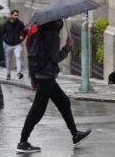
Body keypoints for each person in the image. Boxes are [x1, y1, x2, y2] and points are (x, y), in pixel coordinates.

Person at [16, 20, 91, 153]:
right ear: (53, 22)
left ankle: (75, 134)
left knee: (64, 102)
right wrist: (67, 47)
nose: (61, 22)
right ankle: (23, 142)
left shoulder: (39, 33)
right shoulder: (52, 36)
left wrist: (33, 77)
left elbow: (33, 56)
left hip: (42, 75)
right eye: (59, 20)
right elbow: (54, 58)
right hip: (47, 77)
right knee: (37, 111)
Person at [2, 10, 26, 80]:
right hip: (8, 44)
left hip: (17, 44)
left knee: (18, 57)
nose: (16, 16)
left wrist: (22, 38)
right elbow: (1, 32)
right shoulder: (6, 23)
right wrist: (5, 39)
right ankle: (8, 73)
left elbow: (25, 31)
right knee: (8, 60)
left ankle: (19, 73)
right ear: (11, 15)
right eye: (15, 15)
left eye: (17, 15)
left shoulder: (20, 23)